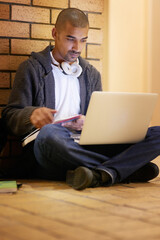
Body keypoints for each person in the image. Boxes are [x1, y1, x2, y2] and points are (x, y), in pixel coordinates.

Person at [2, 8, 160, 190]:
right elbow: (8, 117)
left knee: (157, 133)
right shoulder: (32, 68)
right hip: (50, 148)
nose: (77, 47)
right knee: (50, 133)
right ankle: (123, 169)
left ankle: (99, 174)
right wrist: (31, 115)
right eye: (71, 39)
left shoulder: (91, 74)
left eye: (83, 40)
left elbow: (98, 122)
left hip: (85, 145)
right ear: (55, 34)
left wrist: (93, 123)